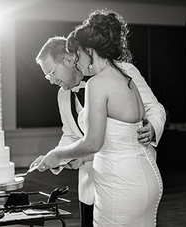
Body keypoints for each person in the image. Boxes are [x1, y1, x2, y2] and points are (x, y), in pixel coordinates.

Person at [31, 10, 166, 227]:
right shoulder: (63, 94)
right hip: (92, 184)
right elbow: (70, 134)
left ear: (69, 57)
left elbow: (154, 108)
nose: (51, 80)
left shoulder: (123, 72)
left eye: (52, 73)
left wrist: (152, 128)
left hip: (126, 177)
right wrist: (56, 159)